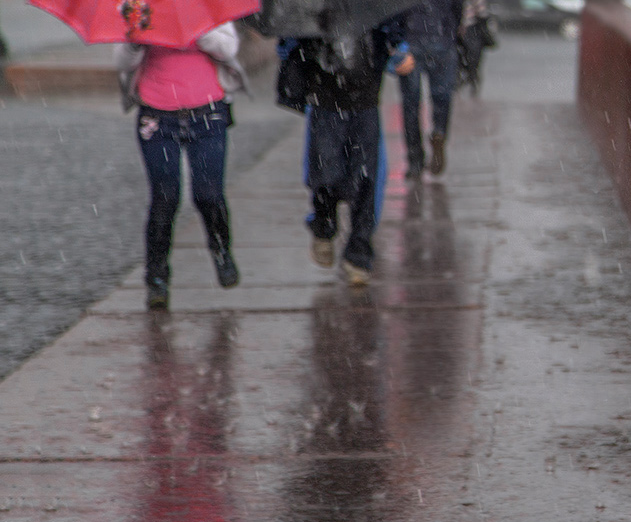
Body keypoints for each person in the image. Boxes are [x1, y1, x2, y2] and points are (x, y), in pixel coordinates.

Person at [116, 22, 248, 310]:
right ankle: (157, 278)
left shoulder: (209, 5)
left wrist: (197, 28)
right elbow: (122, 62)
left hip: (208, 115)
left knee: (209, 194)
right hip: (157, 118)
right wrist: (137, 40)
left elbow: (228, 48)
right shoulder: (143, 9)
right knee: (165, 198)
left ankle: (221, 251)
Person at [279, 20, 414, 286]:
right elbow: (291, 39)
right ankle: (324, 225)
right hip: (325, 99)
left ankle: (359, 253)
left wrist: (398, 46)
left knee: (365, 178)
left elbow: (394, 21)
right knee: (325, 176)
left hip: (365, 99)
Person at [399, 0, 474, 179]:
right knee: (441, 97)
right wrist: (454, 26)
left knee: (411, 104)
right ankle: (439, 132)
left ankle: (415, 160)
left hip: (408, 40)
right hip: (442, 37)